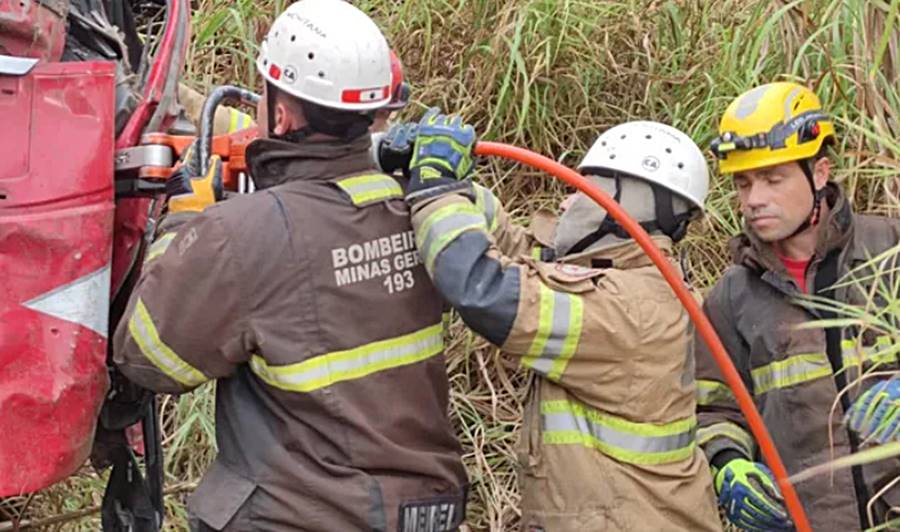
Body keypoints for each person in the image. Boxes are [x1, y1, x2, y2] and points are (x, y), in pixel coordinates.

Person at [113, 1, 468, 530]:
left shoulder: (241, 236)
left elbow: (146, 358)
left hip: (301, 516)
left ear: (280, 113)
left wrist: (181, 226)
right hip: (423, 511)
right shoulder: (422, 210)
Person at [396, 110, 722, 531]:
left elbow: (486, 290)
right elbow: (520, 255)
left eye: (583, 189)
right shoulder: (628, 279)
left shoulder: (632, 309)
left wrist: (435, 192)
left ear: (625, 206)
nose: (566, 201)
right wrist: (449, 180)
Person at [696, 81, 900, 531]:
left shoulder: (890, 250)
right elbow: (713, 406)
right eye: (743, 183)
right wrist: (729, 463)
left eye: (773, 178)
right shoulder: (733, 298)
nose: (754, 200)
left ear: (819, 172)